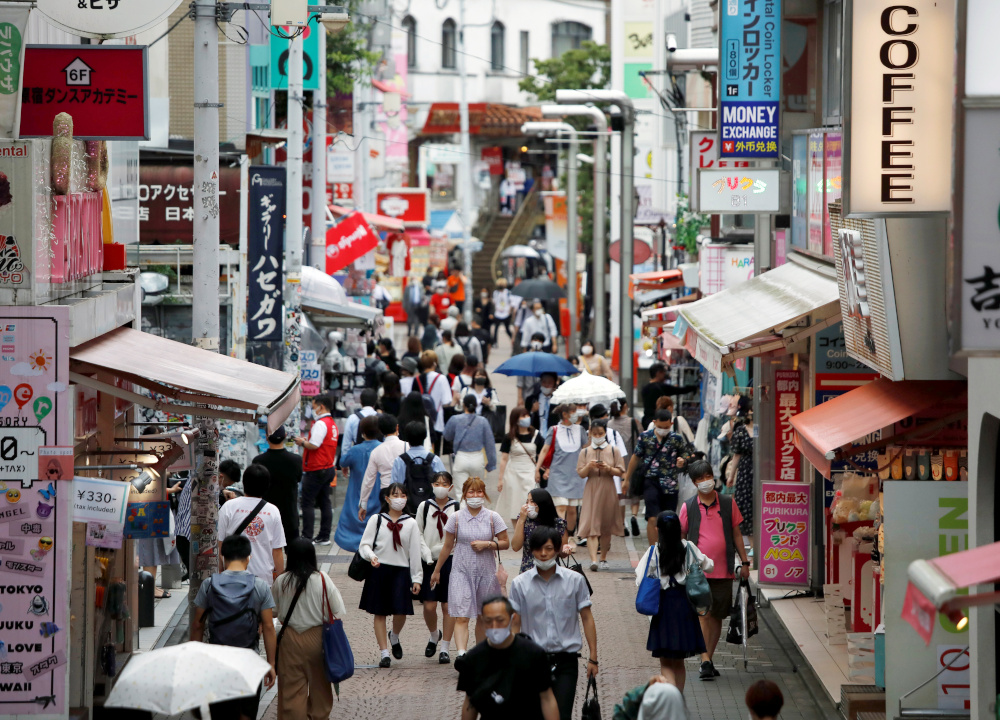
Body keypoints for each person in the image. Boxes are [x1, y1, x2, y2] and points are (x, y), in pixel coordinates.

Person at [510, 526, 598, 720]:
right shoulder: (519, 583)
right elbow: (515, 623)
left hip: (566, 661)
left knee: (562, 714)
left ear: (558, 549)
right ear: (531, 549)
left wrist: (593, 657)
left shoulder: (575, 580)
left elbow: (586, 617)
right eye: (539, 548)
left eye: (549, 548)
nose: (543, 554)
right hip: (532, 661)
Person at [191, 534, 277, 720]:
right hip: (249, 661)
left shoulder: (209, 585)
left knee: (221, 714)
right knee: (246, 714)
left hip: (218, 661)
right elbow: (269, 627)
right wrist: (271, 663)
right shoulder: (260, 586)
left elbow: (197, 625)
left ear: (223, 557)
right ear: (249, 557)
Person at [679, 459, 750, 680]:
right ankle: (705, 660)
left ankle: (708, 658)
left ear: (713, 477)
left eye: (707, 476)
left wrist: (745, 562)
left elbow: (737, 534)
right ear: (694, 482)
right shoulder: (688, 506)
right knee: (703, 614)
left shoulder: (728, 503)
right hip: (698, 572)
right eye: (699, 479)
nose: (704, 482)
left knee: (718, 616)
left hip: (724, 571)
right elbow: (681, 536)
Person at [430, 478, 510, 659]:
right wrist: (437, 570)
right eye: (471, 492)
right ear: (464, 495)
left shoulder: (492, 517)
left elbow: (505, 542)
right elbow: (447, 546)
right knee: (461, 615)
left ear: (484, 493)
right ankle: (462, 654)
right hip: (461, 572)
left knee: (483, 616)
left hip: (486, 573)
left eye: (479, 491)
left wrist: (488, 544)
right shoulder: (456, 518)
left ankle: (481, 655)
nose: (475, 496)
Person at [635, 511, 712, 691]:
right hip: (685, 607)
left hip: (663, 608)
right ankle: (678, 700)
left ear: (658, 530)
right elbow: (709, 565)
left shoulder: (654, 551)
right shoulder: (689, 548)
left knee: (666, 662)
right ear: (679, 529)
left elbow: (640, 577)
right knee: (679, 662)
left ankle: (671, 701)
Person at [272, 538, 346, 720]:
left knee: (291, 689)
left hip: (289, 638)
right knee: (320, 686)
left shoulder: (281, 581)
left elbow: (273, 610)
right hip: (318, 638)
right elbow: (337, 609)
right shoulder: (322, 578)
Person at [456, 596, 559, 720]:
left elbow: (547, 698)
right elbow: (470, 703)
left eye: (500, 620)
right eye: (489, 621)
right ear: (482, 620)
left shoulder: (533, 654)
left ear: (512, 618)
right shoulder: (473, 659)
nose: (495, 626)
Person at [357, 483, 424, 668]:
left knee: (401, 611)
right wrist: (372, 557)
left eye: (403, 495)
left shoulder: (410, 523)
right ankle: (384, 653)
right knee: (379, 612)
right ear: (387, 499)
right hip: (379, 569)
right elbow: (365, 544)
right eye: (395, 495)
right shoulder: (376, 520)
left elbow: (415, 552)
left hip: (401, 571)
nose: (399, 499)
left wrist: (417, 578)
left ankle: (394, 635)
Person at [623, 409, 696, 545]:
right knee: (652, 518)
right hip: (651, 482)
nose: (663, 430)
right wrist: (627, 479)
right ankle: (653, 551)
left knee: (669, 519)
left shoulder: (676, 439)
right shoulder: (645, 437)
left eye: (666, 427)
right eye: (660, 427)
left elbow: (686, 454)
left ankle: (667, 548)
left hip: (671, 485)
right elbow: (635, 457)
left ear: (671, 423)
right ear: (654, 422)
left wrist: (682, 461)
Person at [415, 471, 459, 664]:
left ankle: (445, 648)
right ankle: (434, 634)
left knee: (448, 605)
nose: (441, 486)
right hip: (428, 560)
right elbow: (418, 532)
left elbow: (459, 535)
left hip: (451, 559)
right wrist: (426, 554)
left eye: (445, 483)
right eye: (437, 483)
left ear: (450, 487)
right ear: (432, 485)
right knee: (429, 605)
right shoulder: (424, 506)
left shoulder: (457, 507)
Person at [217, 464, 286, 584]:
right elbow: (277, 550)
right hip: (263, 580)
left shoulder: (228, 507)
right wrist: (281, 582)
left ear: (244, 483)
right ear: (267, 486)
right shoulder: (272, 511)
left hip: (232, 579)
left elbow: (219, 545)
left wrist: (220, 575)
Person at [577, 420, 626, 571]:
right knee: (592, 524)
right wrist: (589, 466)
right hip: (591, 488)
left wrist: (608, 468)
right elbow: (580, 473)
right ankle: (593, 560)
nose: (598, 436)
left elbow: (620, 471)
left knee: (606, 526)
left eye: (601, 433)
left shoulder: (613, 450)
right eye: (594, 434)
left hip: (608, 488)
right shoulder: (585, 451)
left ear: (605, 433)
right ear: (590, 434)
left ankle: (603, 557)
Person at [535, 404, 588, 539]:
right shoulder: (554, 430)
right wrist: (537, 469)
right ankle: (559, 537)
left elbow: (586, 449)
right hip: (557, 474)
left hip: (576, 474)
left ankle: (570, 537)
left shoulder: (580, 429)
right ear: (565, 414)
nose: (576, 413)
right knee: (561, 507)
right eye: (573, 411)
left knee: (572, 509)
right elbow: (545, 450)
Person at [294, 395, 338, 546]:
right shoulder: (332, 423)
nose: (312, 410)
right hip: (328, 467)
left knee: (307, 503)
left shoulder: (321, 424)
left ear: (321, 406)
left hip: (317, 468)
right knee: (324, 501)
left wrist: (302, 442)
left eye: (313, 407)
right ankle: (324, 536)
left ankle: (307, 537)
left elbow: (314, 444)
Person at [334, 416, 382, 553]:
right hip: (378, 493)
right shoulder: (382, 448)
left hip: (358, 492)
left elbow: (343, 462)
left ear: (362, 432)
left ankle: (359, 550)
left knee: (355, 519)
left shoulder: (355, 450)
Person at [253, 426, 302, 544]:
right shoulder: (296, 460)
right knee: (292, 552)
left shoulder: (258, 461)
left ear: (266, 437)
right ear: (285, 436)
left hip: (265, 514)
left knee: (266, 553)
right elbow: (298, 479)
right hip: (289, 515)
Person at [495, 407, 543, 525]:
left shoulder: (536, 435)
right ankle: (518, 536)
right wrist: (500, 479)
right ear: (515, 419)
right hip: (513, 474)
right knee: (515, 506)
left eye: (527, 415)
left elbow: (542, 454)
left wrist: (539, 470)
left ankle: (530, 534)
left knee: (532, 503)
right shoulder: (509, 437)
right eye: (523, 416)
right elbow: (504, 459)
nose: (526, 418)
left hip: (530, 472)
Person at [359, 414, 410, 520]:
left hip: (386, 492)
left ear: (380, 431)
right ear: (397, 427)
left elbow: (368, 479)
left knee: (388, 523)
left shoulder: (376, 451)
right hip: (404, 490)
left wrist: (363, 504)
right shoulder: (407, 446)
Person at [607, 398, 644, 537]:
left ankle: (622, 524)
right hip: (633, 460)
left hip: (616, 462)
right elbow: (642, 437)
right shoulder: (633, 422)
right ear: (626, 406)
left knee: (620, 495)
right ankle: (634, 516)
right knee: (634, 492)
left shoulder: (609, 424)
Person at [391, 421, 447, 512]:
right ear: (425, 436)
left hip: (407, 509)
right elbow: (444, 485)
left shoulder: (400, 461)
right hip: (431, 508)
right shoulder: (434, 459)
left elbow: (394, 487)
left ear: (406, 438)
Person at [511, 488, 569, 574]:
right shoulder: (525, 521)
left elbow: (562, 554)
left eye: (532, 501)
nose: (528, 505)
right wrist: (521, 520)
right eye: (527, 502)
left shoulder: (558, 524)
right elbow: (515, 546)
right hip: (528, 571)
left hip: (551, 572)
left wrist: (566, 550)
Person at [443, 395, 498, 485]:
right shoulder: (483, 421)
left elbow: (447, 436)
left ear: (463, 405)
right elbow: (490, 443)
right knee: (476, 492)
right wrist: (491, 463)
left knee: (461, 493)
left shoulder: (455, 419)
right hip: (477, 458)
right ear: (476, 405)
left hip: (460, 457)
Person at [727, 400, 755, 547]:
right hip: (745, 473)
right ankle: (751, 544)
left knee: (758, 503)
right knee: (744, 505)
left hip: (760, 470)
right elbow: (736, 455)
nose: (751, 413)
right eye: (749, 410)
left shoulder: (763, 429)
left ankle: (757, 544)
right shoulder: (740, 431)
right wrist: (731, 476)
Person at [416, 350, 454, 453]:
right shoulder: (441, 379)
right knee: (435, 454)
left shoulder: (417, 379)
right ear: (434, 363)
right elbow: (447, 402)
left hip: (419, 421)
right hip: (436, 421)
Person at [641, 362, 700, 428]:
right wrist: (695, 387)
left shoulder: (644, 388)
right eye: (663, 373)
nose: (665, 375)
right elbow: (680, 390)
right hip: (659, 421)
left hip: (646, 420)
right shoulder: (660, 387)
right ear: (658, 373)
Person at [339, 388, 378, 459]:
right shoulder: (381, 418)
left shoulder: (352, 418)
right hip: (378, 459)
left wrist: (344, 461)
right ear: (376, 402)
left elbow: (346, 444)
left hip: (358, 459)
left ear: (360, 401)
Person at [524, 371, 560, 436]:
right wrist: (532, 411)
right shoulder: (531, 399)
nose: (546, 385)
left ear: (554, 384)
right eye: (544, 382)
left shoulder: (558, 401)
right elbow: (524, 420)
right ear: (540, 382)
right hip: (535, 437)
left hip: (553, 437)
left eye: (550, 383)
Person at [491, 278, 516, 344]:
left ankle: (513, 339)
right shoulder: (496, 293)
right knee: (496, 328)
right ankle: (495, 342)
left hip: (506, 313)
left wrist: (510, 311)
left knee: (507, 329)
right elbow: (494, 302)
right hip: (498, 313)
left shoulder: (508, 292)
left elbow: (512, 302)